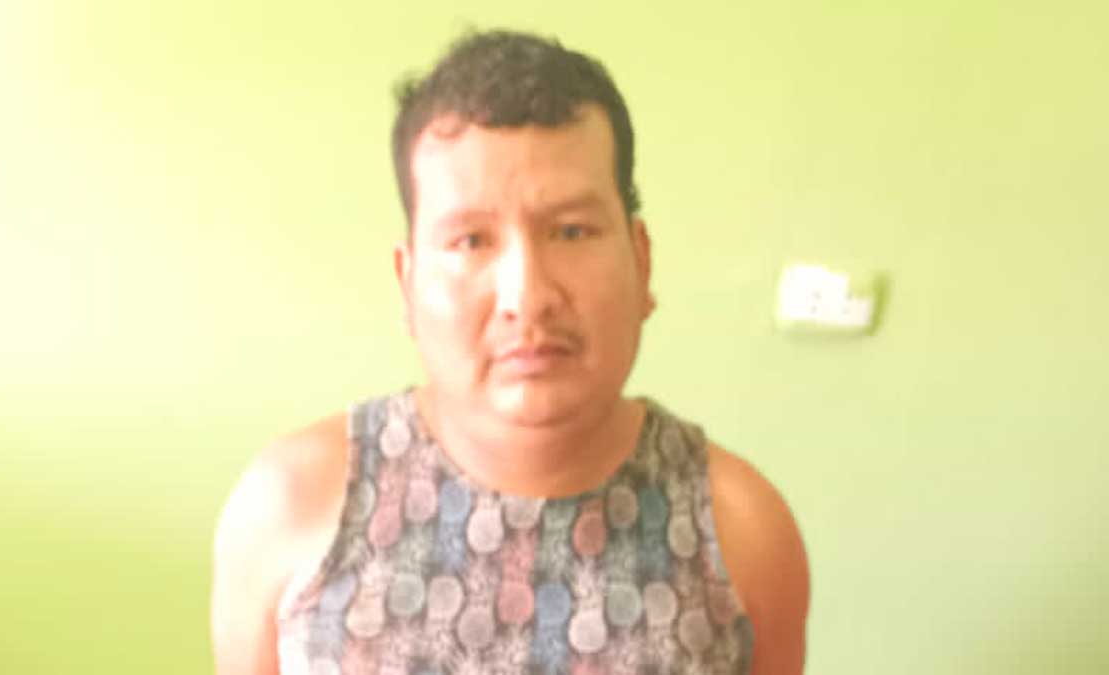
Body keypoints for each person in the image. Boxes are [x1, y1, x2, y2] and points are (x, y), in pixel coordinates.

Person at [212, 29, 809, 675]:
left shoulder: (742, 529)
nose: (527, 297)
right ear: (407, 283)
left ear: (641, 261)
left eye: (572, 231)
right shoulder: (291, 505)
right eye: (471, 240)